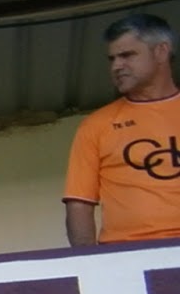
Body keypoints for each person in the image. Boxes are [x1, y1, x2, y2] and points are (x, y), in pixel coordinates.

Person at [65, 13, 180, 246]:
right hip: (126, 254)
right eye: (112, 59)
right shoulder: (96, 125)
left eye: (127, 55)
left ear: (161, 52)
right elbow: (79, 204)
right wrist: (89, 262)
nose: (117, 66)